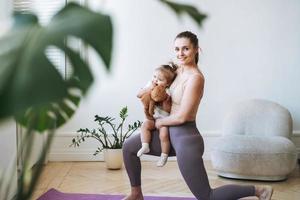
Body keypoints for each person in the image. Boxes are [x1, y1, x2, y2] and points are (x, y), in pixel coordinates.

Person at [122, 31, 273, 200]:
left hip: (185, 138)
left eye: (185, 49)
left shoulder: (196, 78)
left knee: (207, 196)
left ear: (196, 50)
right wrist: (150, 88)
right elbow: (154, 87)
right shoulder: (176, 71)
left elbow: (182, 117)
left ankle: (258, 190)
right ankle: (136, 194)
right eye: (177, 49)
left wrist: (159, 123)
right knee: (129, 147)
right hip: (169, 134)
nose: (180, 53)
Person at [136, 64, 177, 167]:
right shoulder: (150, 85)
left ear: (167, 84)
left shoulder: (168, 92)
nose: (155, 80)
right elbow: (138, 94)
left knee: (164, 135)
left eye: (160, 79)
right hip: (152, 118)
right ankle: (145, 145)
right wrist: (149, 88)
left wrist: (165, 102)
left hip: (163, 120)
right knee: (145, 125)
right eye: (154, 77)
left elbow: (168, 110)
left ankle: (164, 155)